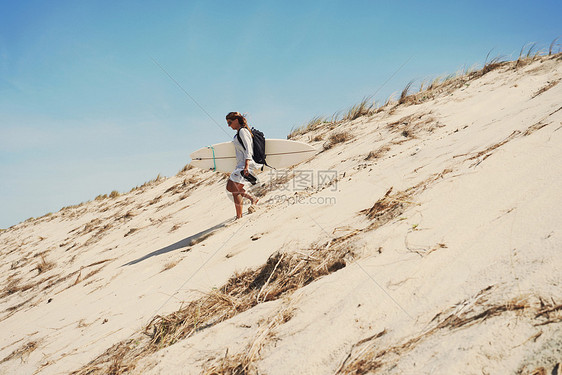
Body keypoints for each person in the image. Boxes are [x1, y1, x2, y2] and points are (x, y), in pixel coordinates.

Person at [225, 112, 259, 219]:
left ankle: (239, 216)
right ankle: (252, 198)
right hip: (241, 164)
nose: (229, 126)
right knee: (230, 187)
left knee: (235, 190)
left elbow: (249, 148)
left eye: (230, 122)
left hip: (246, 164)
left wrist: (247, 165)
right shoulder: (239, 132)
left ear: (236, 120)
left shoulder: (243, 131)